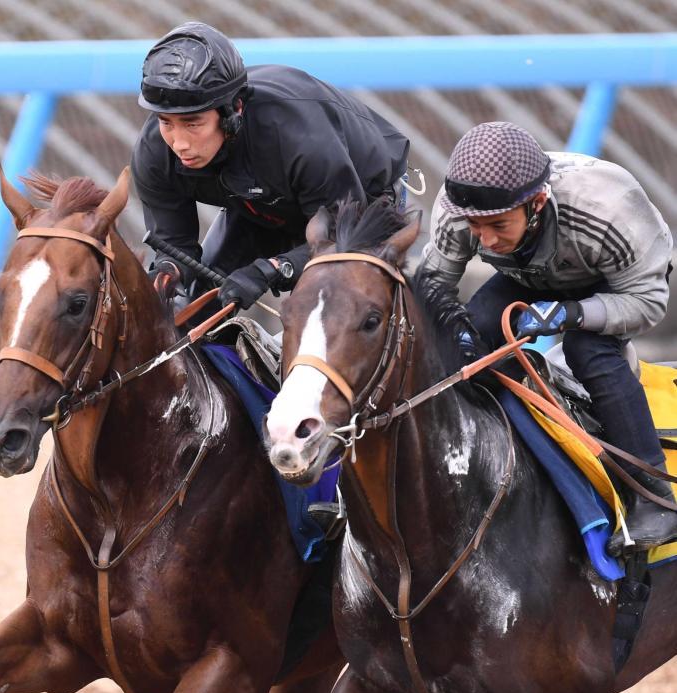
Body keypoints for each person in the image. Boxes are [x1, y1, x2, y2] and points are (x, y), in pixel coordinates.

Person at [418, 120, 676, 555]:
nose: (483, 239)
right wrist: (452, 335)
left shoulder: (608, 208)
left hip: (612, 284)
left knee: (588, 349)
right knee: (468, 343)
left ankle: (654, 498)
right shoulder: (457, 212)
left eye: (498, 224)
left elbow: (649, 303)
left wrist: (573, 313)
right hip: (528, 275)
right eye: (474, 226)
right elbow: (430, 291)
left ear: (537, 202)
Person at [131, 21, 411, 312]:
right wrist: (166, 273)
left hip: (360, 206)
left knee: (336, 316)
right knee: (192, 303)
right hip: (261, 207)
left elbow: (343, 235)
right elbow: (174, 247)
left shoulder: (299, 139)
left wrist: (277, 267)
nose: (178, 143)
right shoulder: (155, 150)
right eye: (166, 122)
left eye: (192, 123)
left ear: (233, 111)